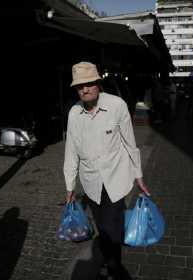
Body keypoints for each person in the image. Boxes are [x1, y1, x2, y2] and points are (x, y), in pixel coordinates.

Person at [63, 62, 150, 279]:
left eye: (89, 83)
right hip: (91, 181)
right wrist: (69, 186)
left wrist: (138, 175)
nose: (84, 89)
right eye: (79, 86)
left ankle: (114, 267)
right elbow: (71, 151)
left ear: (98, 83)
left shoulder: (117, 105)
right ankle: (110, 257)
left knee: (111, 227)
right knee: (103, 227)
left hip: (116, 177)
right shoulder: (74, 113)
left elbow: (130, 144)